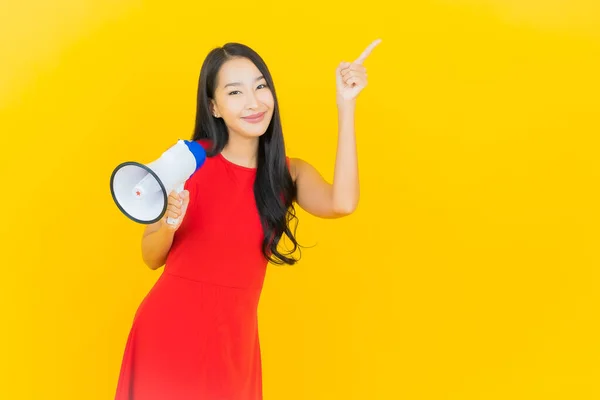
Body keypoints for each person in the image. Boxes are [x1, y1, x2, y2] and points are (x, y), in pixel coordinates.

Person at [114, 39, 381, 399]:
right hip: (168, 336)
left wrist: (345, 106)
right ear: (214, 106)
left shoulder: (288, 174)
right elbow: (151, 257)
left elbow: (343, 202)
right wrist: (168, 224)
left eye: (260, 86)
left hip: (234, 348)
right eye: (235, 92)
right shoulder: (186, 162)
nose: (254, 102)